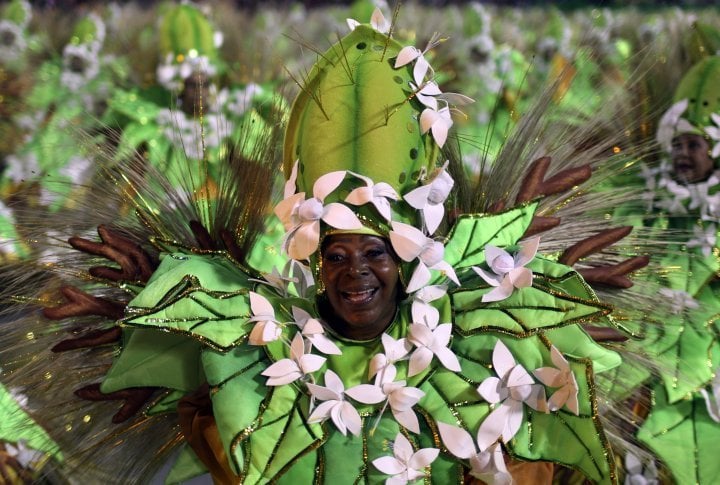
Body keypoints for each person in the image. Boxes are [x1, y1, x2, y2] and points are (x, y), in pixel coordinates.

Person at [0, 8, 654, 484]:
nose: (355, 272)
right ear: (310, 263)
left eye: (375, 252)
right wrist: (139, 299)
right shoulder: (256, 363)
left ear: (409, 257)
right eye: (336, 254)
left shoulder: (481, 357)